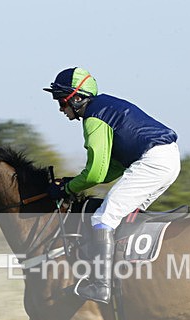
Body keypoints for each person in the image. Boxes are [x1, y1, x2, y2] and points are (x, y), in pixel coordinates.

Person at [43, 67, 181, 304]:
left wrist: (67, 189)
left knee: (103, 218)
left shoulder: (94, 117)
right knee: (124, 217)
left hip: (153, 161)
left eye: (61, 101)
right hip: (167, 159)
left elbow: (95, 173)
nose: (60, 108)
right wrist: (72, 183)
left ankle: (101, 286)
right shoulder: (104, 107)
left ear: (76, 98)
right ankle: (127, 279)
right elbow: (112, 168)